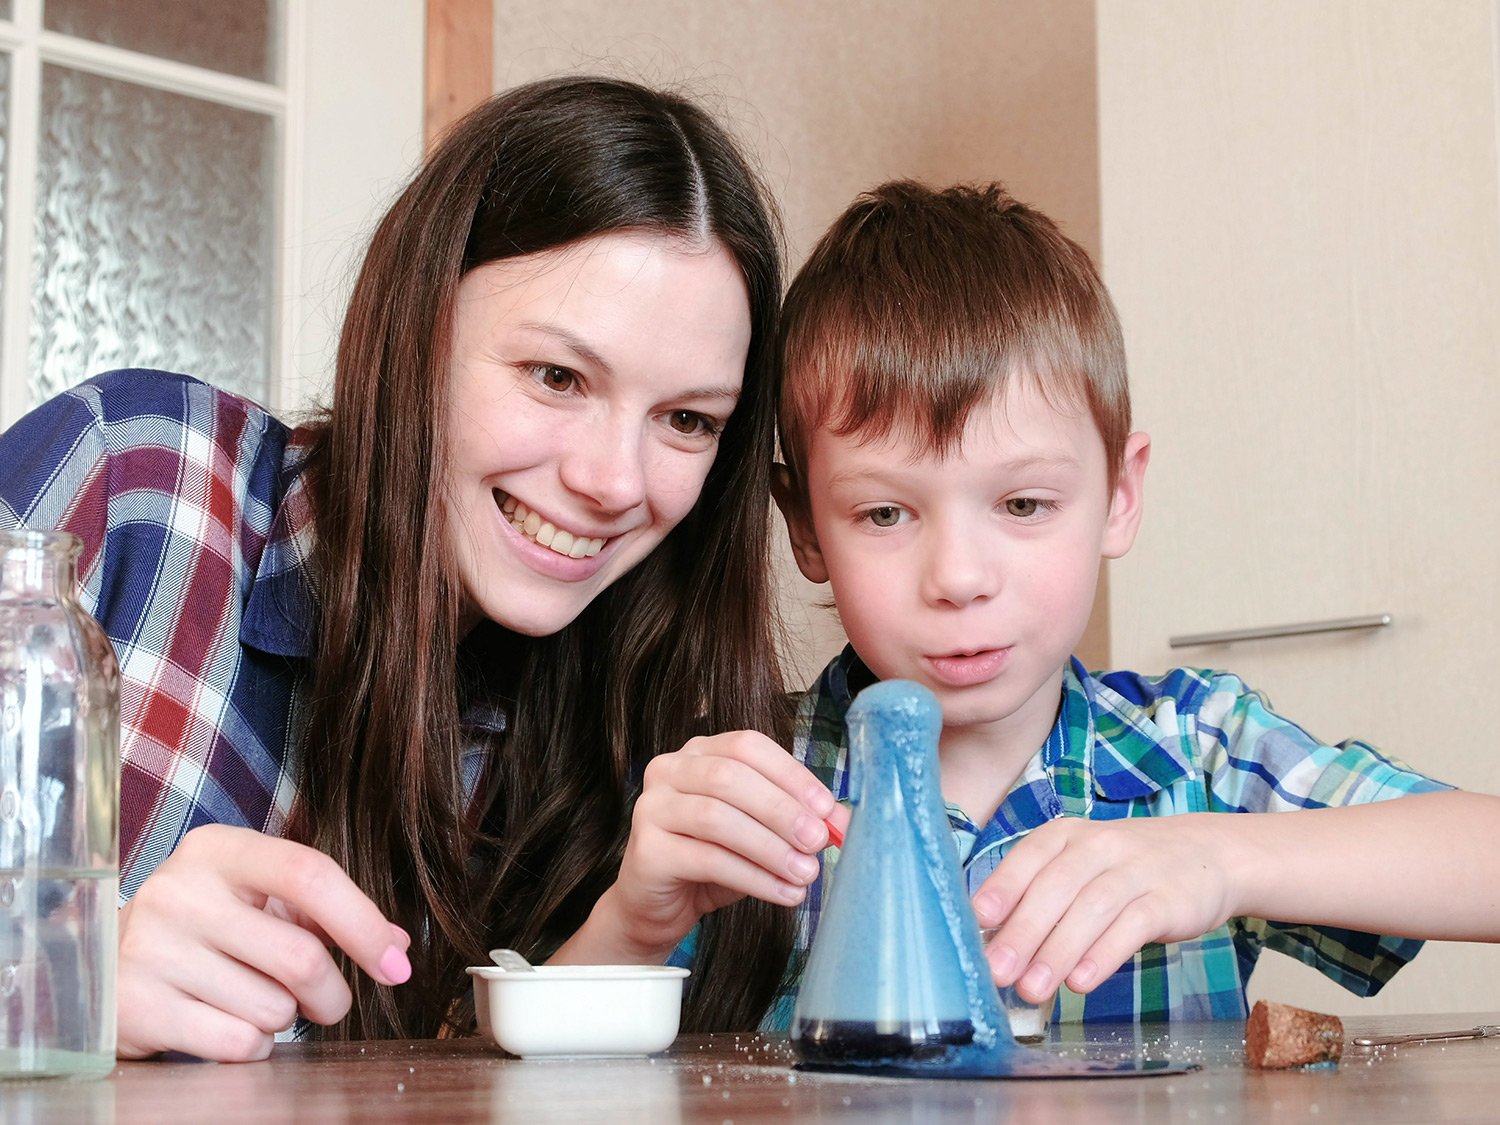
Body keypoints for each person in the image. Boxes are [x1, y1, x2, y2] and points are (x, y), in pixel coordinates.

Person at [0, 75, 841, 1060]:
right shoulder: (140, 478)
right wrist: (61, 974)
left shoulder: (611, 720)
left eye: (688, 420)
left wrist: (637, 923)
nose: (615, 481)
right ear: (419, 330)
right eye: (556, 376)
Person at [762, 179, 1500, 1026]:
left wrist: (1222, 857)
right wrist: (640, 910)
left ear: (1119, 495)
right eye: (885, 513)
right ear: (807, 527)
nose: (959, 577)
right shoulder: (751, 784)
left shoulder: (1201, 750)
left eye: (1024, 504)